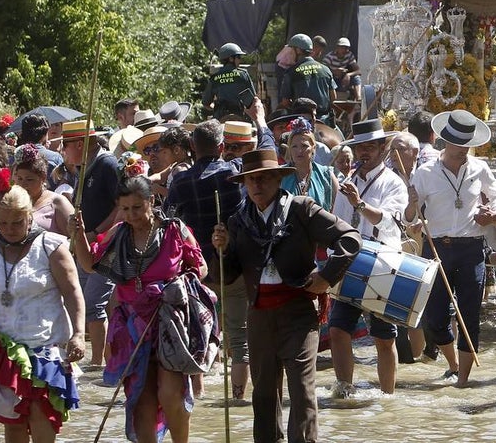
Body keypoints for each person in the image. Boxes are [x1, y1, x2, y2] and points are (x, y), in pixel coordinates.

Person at [211, 149, 361, 443]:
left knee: (302, 389)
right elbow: (226, 276)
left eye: (264, 178)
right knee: (264, 394)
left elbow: (350, 238)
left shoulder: (302, 209)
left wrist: (326, 278)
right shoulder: (237, 221)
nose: (257, 185)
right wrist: (222, 250)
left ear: (279, 180)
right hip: (259, 314)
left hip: (298, 310)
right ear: (245, 184)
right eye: (251, 180)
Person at [73, 176, 213, 443]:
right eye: (125, 209)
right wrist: (78, 233)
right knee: (141, 400)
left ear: (151, 201)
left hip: (170, 325)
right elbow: (90, 264)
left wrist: (180, 283)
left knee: (170, 394)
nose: (131, 215)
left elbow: (201, 267)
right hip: (132, 328)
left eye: (137, 208)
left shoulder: (174, 230)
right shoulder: (118, 233)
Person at [165, 118, 273, 401]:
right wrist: (260, 122)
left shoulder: (180, 182)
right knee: (239, 340)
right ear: (222, 147)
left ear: (192, 146)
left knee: (196, 336)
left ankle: (197, 396)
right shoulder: (234, 174)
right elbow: (265, 155)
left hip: (197, 271)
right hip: (234, 266)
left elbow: (167, 222)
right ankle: (237, 398)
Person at [0, 186, 85, 440]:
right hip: (4, 349)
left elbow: (72, 292)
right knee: (13, 424)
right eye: (3, 223)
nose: (9, 229)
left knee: (40, 414)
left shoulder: (51, 246)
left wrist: (79, 334)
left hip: (45, 348)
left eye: (17, 223)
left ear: (30, 217)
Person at [405, 110, 496, 388]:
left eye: (467, 145)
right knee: (434, 319)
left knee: (469, 316)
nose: (463, 150)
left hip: (471, 248)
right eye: (459, 144)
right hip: (437, 249)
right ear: (445, 141)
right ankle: (452, 363)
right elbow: (409, 218)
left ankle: (462, 381)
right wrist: (412, 204)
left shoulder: (479, 168)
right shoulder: (425, 173)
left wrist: (494, 212)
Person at [329, 118, 409, 397]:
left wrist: (360, 204)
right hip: (350, 261)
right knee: (337, 330)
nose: (364, 152)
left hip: (381, 262)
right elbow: (337, 223)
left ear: (382, 148)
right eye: (360, 147)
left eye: (370, 147)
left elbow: (389, 223)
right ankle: (344, 391)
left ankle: (388, 398)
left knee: (383, 338)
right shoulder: (347, 182)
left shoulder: (393, 183)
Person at [60, 118, 120, 366]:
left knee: (94, 304)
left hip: (105, 245)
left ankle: (97, 363)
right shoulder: (82, 169)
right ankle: (99, 359)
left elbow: (120, 207)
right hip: (85, 246)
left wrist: (96, 232)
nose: (63, 150)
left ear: (80, 144)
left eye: (66, 144)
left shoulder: (107, 165)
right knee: (83, 302)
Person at [11, 144, 74, 236]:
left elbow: (74, 238)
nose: (23, 185)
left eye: (29, 179)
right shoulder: (12, 200)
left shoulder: (57, 202)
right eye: (20, 179)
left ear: (43, 178)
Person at [280, 116, 341, 211]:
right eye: (294, 146)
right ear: (289, 149)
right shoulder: (281, 174)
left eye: (304, 146)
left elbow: (340, 207)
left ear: (313, 148)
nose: (299, 151)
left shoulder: (326, 174)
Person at [279, 34, 337, 127]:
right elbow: (333, 97)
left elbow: (285, 103)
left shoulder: (290, 73)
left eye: (291, 50)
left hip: (302, 122)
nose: (289, 53)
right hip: (325, 121)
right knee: (340, 135)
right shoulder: (326, 69)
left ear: (298, 50)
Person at [203, 42, 258, 119]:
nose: (240, 60)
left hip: (220, 119)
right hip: (240, 118)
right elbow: (254, 100)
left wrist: (216, 109)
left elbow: (206, 103)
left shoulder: (214, 78)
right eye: (238, 57)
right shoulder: (243, 74)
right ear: (231, 59)